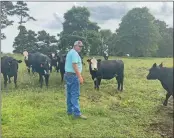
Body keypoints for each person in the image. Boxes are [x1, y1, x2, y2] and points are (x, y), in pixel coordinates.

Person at [64, 40, 87, 119]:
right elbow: (74, 65)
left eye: (81, 47)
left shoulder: (70, 52)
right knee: (75, 94)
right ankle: (77, 113)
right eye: (79, 46)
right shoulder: (74, 53)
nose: (80, 48)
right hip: (73, 76)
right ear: (75, 46)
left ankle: (69, 111)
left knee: (69, 93)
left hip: (68, 74)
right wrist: (79, 76)